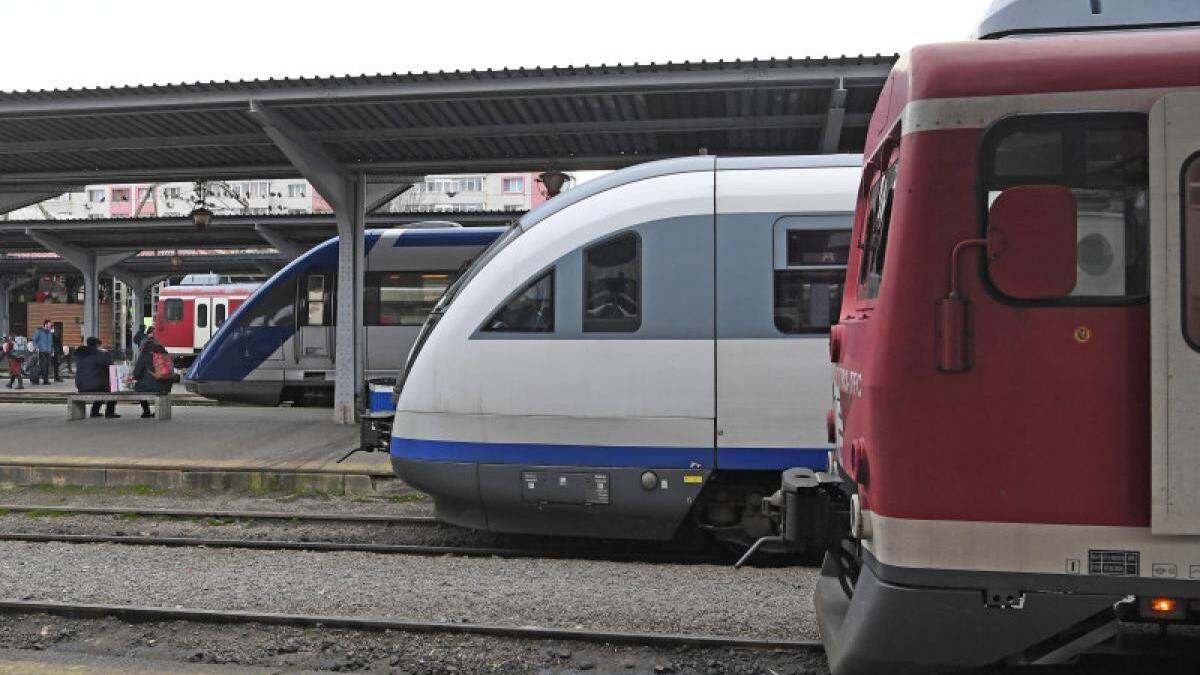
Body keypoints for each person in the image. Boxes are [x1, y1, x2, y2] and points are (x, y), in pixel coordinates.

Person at [129, 336, 173, 419]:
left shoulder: (145, 356)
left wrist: (138, 378)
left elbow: (137, 374)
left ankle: (146, 411)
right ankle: (157, 411)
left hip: (149, 386)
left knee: (138, 386)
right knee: (156, 387)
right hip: (166, 387)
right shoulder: (166, 356)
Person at [75, 337, 117, 418]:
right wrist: (107, 353)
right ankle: (110, 412)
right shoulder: (98, 354)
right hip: (95, 385)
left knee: (100, 383)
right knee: (112, 386)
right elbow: (110, 364)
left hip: (80, 385)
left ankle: (95, 411)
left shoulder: (80, 354)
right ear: (97, 345)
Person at [32, 320, 53, 385]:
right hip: (41, 351)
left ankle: (45, 379)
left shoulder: (49, 332)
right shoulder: (39, 331)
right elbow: (34, 339)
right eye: (49, 324)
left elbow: (51, 342)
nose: (50, 326)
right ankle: (45, 380)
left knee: (47, 366)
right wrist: (36, 347)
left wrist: (52, 350)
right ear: (45, 324)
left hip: (48, 351)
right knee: (43, 366)